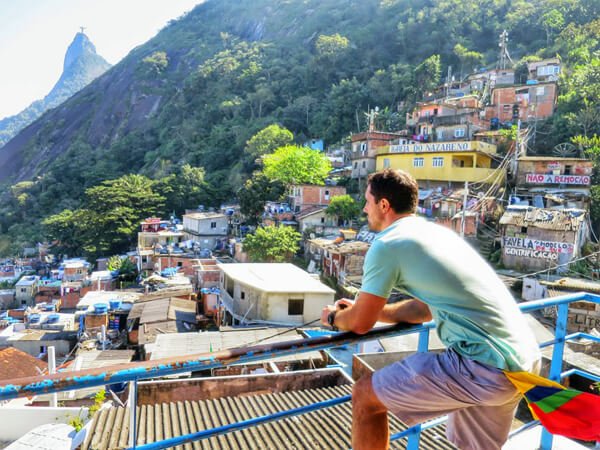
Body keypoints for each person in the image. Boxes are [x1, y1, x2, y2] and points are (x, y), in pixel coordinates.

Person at [321, 169, 540, 450]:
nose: (365, 209)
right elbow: (424, 310)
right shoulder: (437, 233)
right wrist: (374, 310)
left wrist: (334, 317)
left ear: (384, 205)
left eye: (368, 201)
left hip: (483, 367)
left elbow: (361, 325)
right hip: (523, 362)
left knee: (365, 397)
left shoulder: (386, 245)